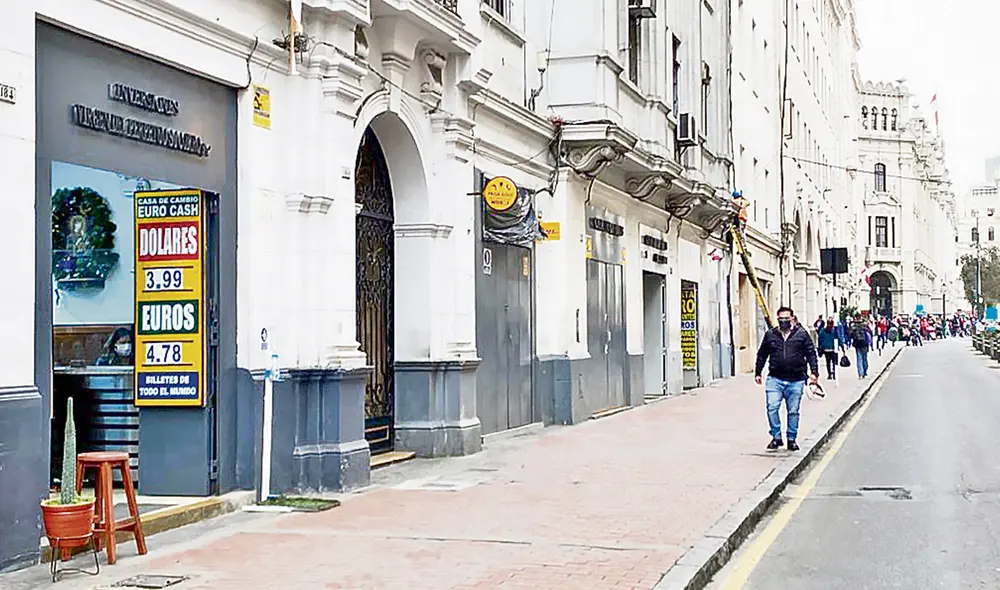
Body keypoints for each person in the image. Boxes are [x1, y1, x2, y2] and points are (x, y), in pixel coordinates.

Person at [754, 306, 820, 452]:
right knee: (772, 408)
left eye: (786, 318)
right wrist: (758, 372)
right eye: (780, 319)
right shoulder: (770, 335)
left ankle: (791, 439)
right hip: (775, 379)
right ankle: (776, 437)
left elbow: (811, 354)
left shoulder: (802, 334)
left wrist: (814, 373)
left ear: (792, 318)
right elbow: (762, 354)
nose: (783, 321)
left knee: (793, 411)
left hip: (796, 379)